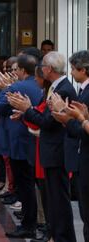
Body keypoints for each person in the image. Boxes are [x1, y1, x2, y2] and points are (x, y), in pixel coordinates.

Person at [11, 51, 77, 242]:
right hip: (52, 150)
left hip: (57, 151)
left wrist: (27, 110)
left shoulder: (62, 89)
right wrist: (26, 112)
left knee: (59, 200)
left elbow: (47, 122)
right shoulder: (56, 86)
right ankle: (56, 235)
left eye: (42, 68)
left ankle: (63, 237)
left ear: (48, 69)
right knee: (53, 200)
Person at [0, 54, 42, 239]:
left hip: (19, 139)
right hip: (34, 138)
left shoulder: (16, 86)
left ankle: (28, 224)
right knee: (31, 183)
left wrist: (5, 88)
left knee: (24, 184)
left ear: (21, 70)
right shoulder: (39, 86)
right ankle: (31, 220)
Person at [50, 50, 89, 242]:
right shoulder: (83, 89)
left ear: (83, 69)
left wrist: (67, 118)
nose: (71, 73)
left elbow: (82, 128)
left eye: (73, 69)